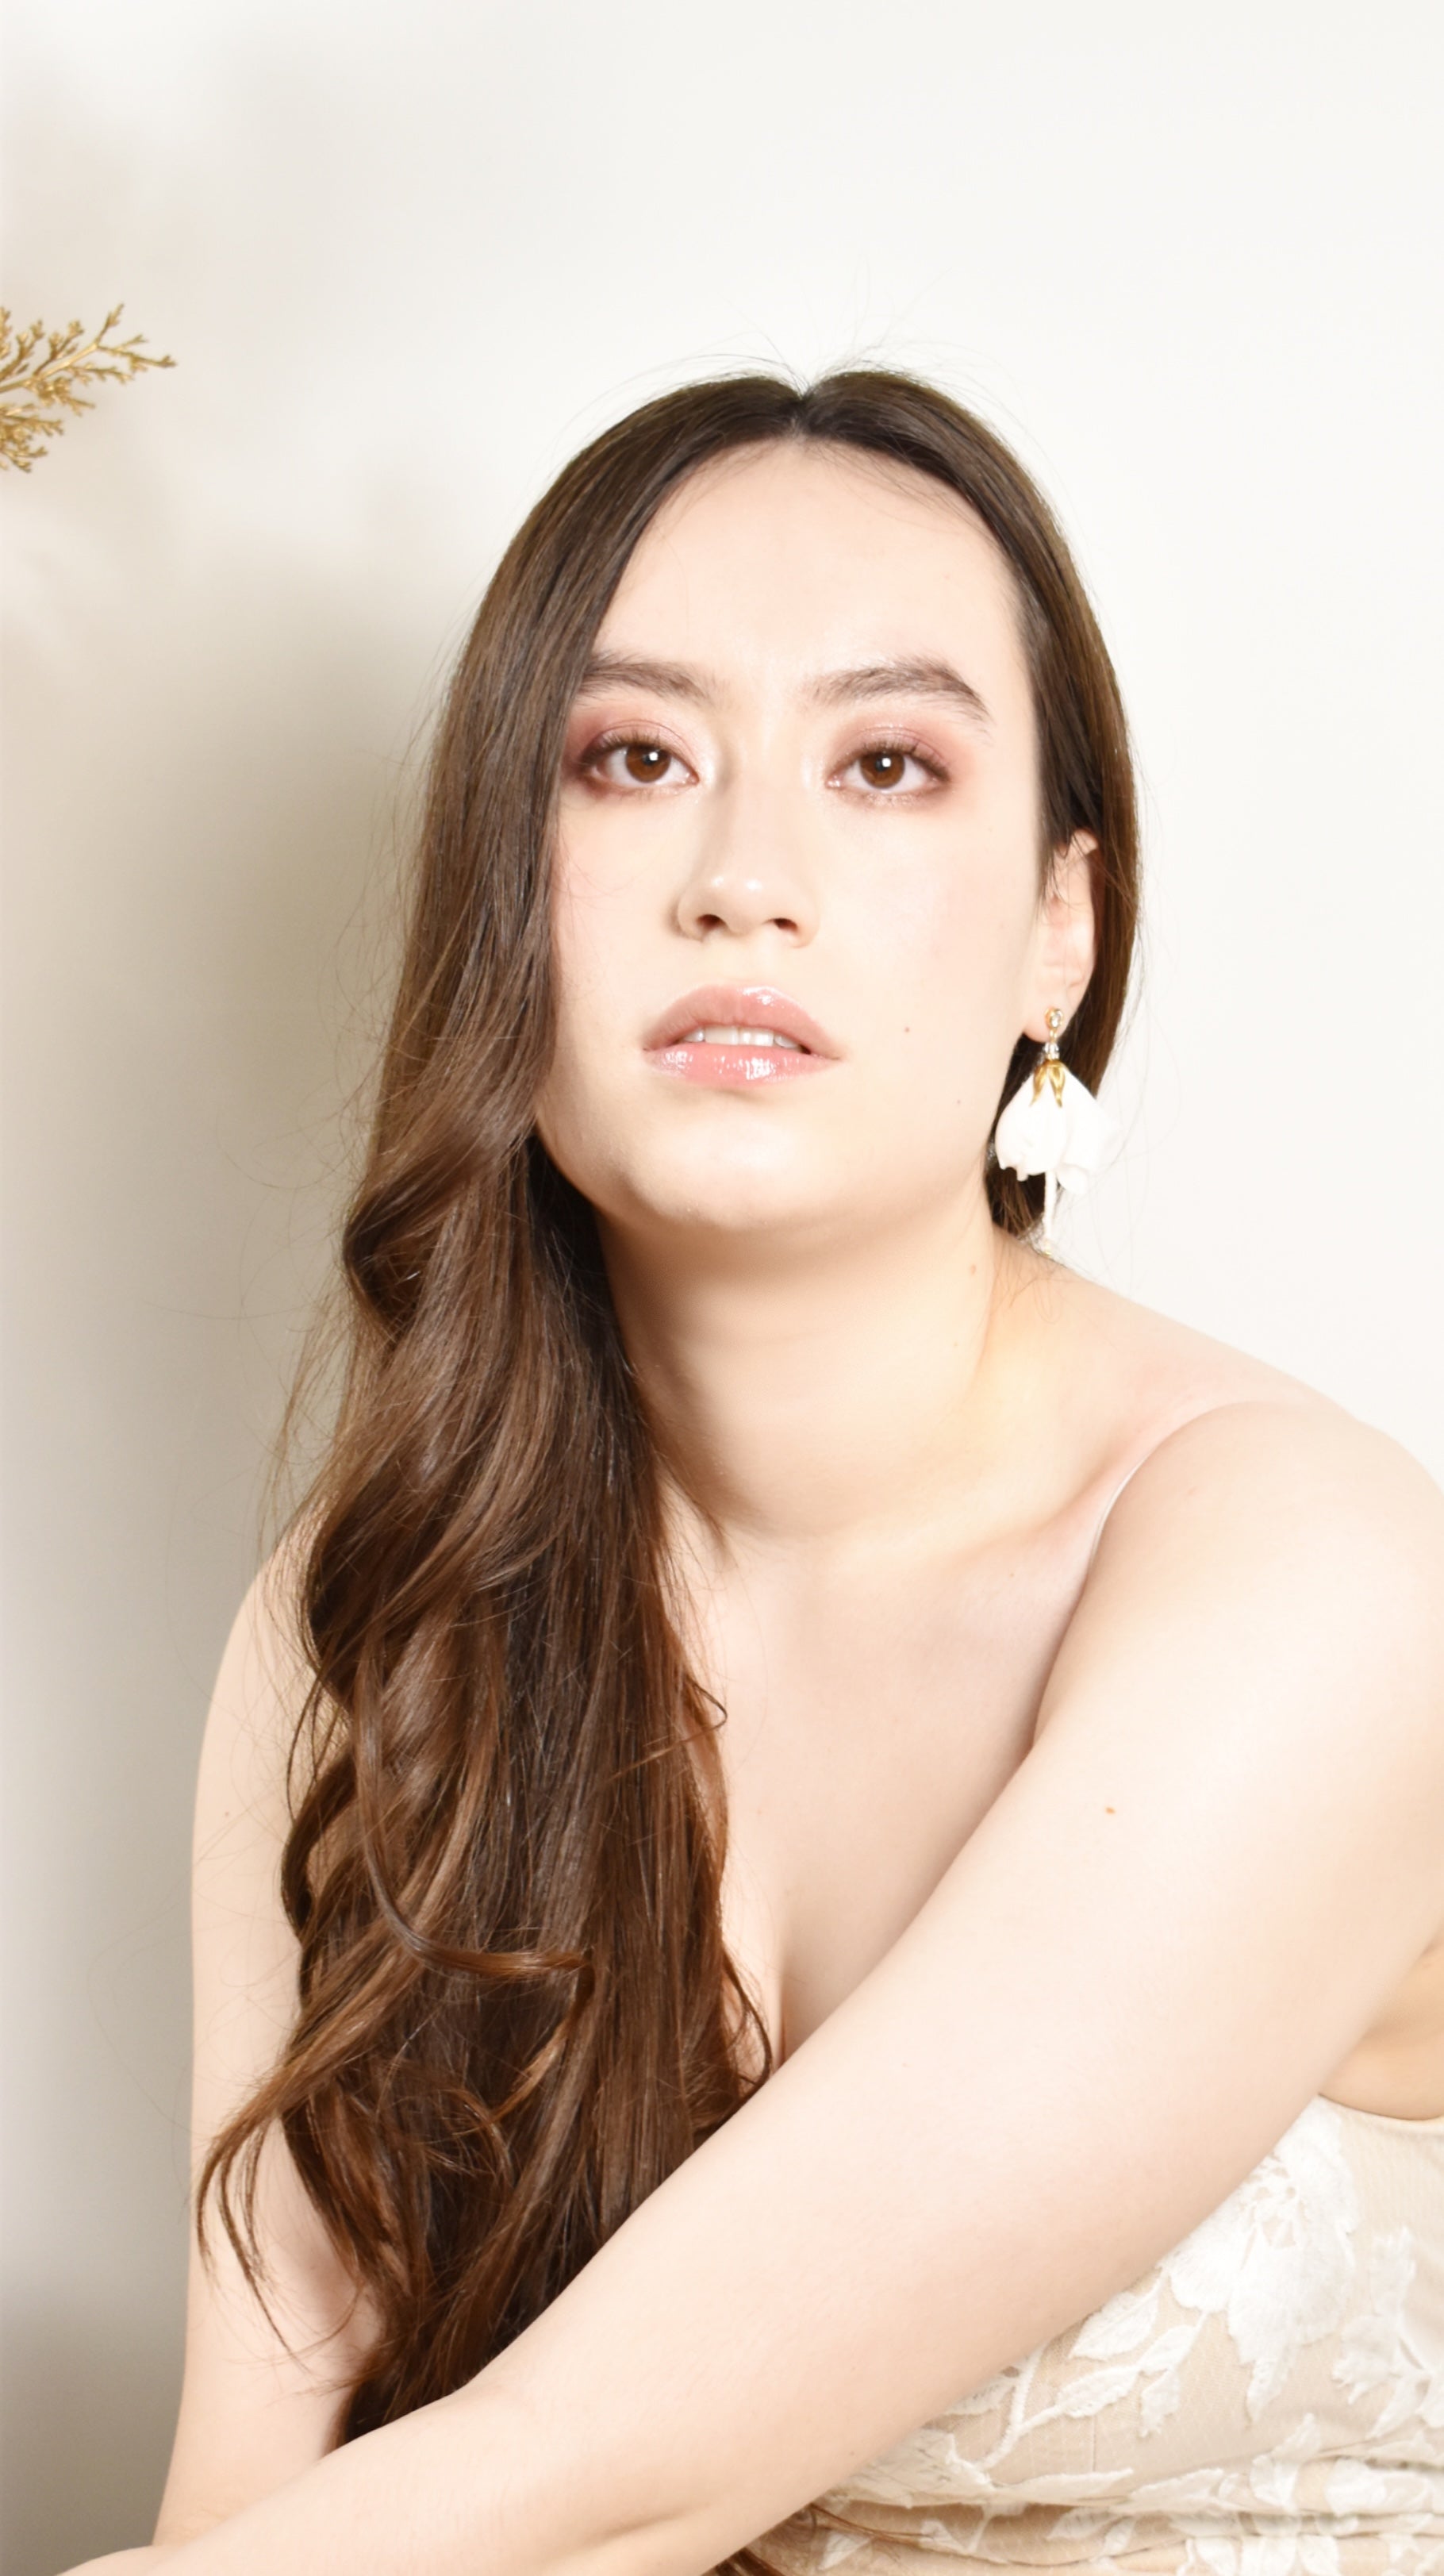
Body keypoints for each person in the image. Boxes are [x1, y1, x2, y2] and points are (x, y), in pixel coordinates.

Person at [67, 370, 1444, 2576]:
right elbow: (258, 2494)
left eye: (885, 766)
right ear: (505, 895)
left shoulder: (1308, 1580)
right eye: (630, 761)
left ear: (1057, 934)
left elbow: (607, 2477)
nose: (741, 879)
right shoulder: (376, 1626)